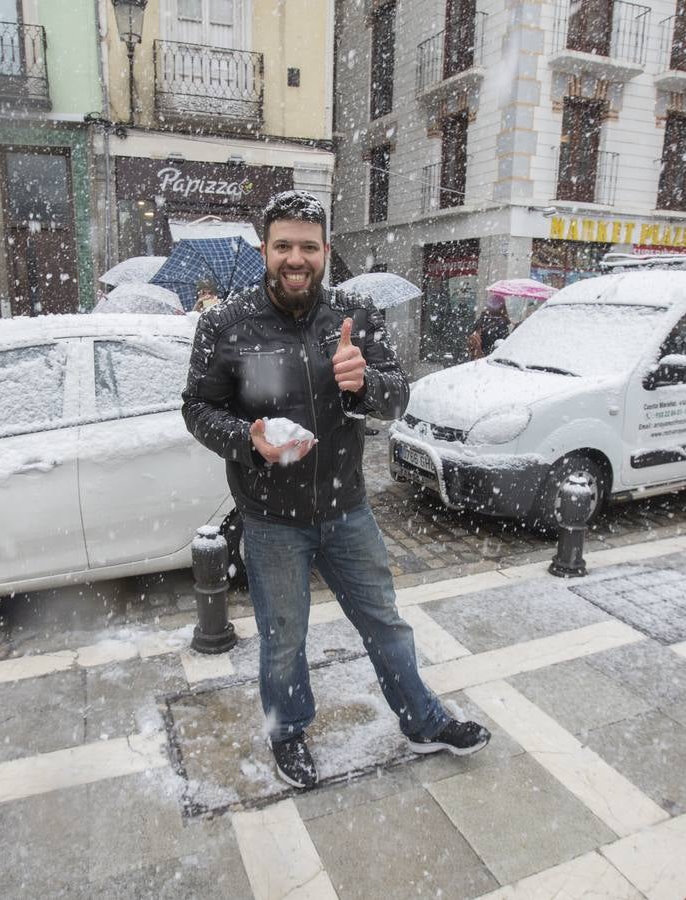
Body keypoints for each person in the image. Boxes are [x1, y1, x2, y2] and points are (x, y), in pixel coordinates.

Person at [182, 190, 490, 790]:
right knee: (283, 638)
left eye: (307, 247)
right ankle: (288, 733)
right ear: (265, 250)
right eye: (283, 247)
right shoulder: (226, 324)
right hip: (271, 518)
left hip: (347, 509)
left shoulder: (354, 315)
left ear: (325, 250)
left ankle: (423, 722)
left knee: (386, 624)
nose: (295, 259)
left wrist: (364, 382)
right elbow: (196, 408)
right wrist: (249, 437)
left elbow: (397, 396)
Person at [466, 294, 512, 359]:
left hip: (476, 358)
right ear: (503, 307)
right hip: (489, 360)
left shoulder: (482, 318)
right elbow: (503, 347)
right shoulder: (502, 324)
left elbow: (471, 335)